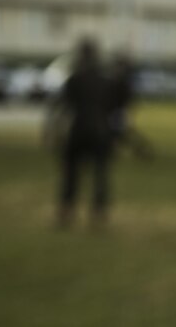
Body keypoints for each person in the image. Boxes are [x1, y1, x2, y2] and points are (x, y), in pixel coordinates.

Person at [51, 37, 115, 228]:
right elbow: (113, 109)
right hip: (100, 131)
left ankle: (67, 212)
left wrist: (54, 132)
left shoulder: (75, 78)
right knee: (100, 174)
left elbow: (63, 107)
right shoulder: (105, 81)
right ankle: (98, 214)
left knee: (72, 174)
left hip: (78, 130)